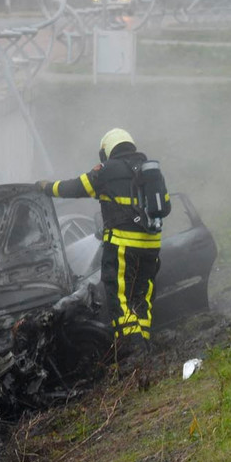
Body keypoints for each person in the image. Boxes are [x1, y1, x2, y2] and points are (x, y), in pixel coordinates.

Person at [38, 128, 171, 354]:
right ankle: (145, 349)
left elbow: (75, 187)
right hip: (150, 247)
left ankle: (135, 354)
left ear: (107, 150)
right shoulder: (150, 171)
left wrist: (46, 187)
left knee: (120, 301)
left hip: (122, 247)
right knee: (142, 298)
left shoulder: (107, 171)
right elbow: (165, 206)